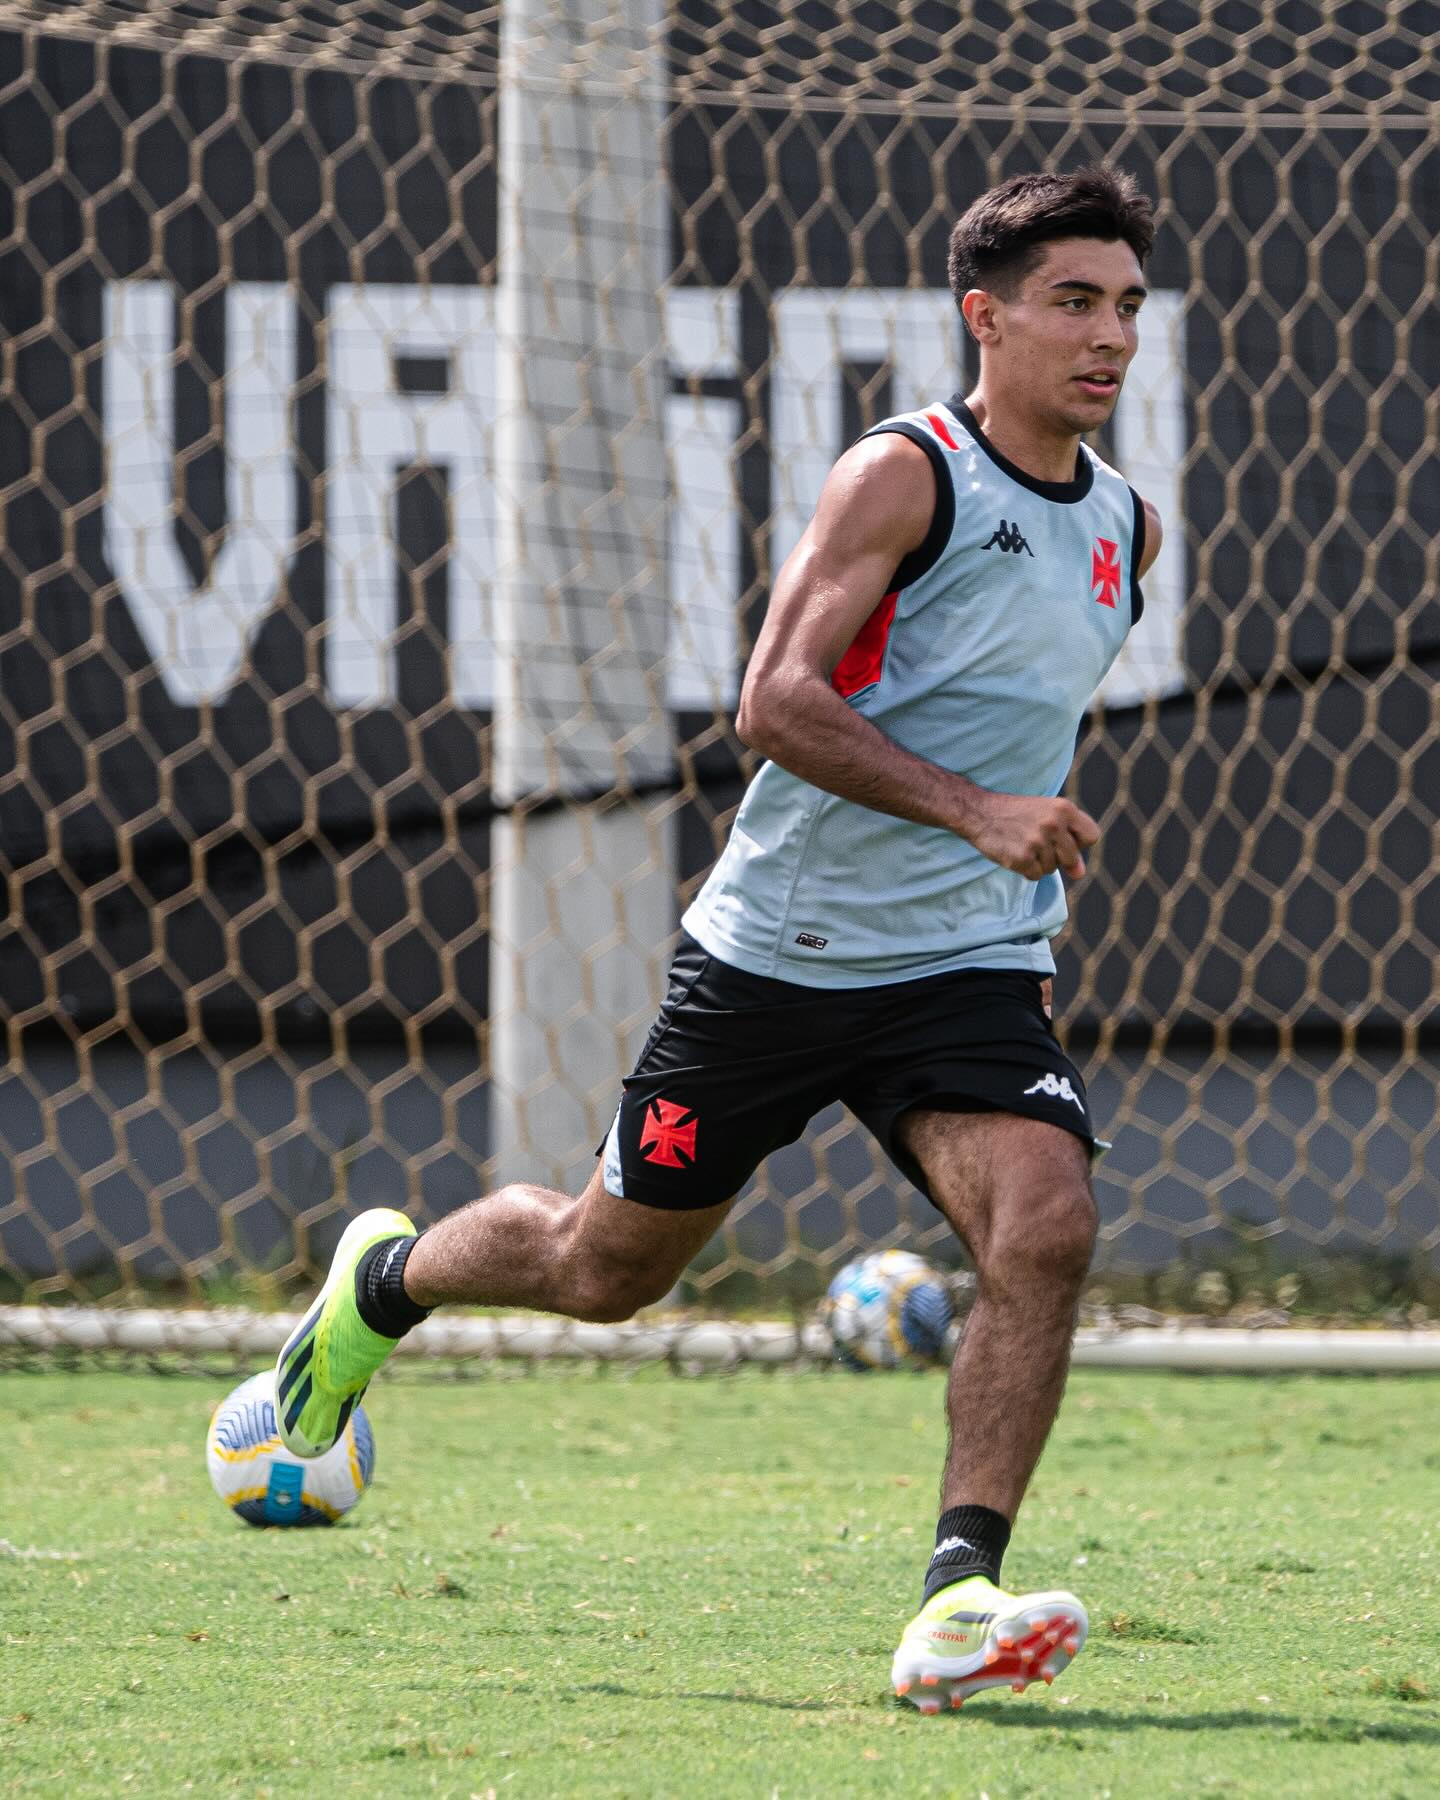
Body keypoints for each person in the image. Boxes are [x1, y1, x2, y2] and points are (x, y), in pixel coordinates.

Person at [275, 164, 1162, 1716]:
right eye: (1073, 302)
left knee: (1046, 1224)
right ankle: (384, 1283)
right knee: (601, 1268)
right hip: (776, 959)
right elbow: (773, 703)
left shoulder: (1126, 530)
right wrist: (975, 812)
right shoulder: (904, 476)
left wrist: (997, 876)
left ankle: (958, 1598)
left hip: (962, 969)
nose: (1110, 337)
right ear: (987, 316)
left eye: (1129, 307)